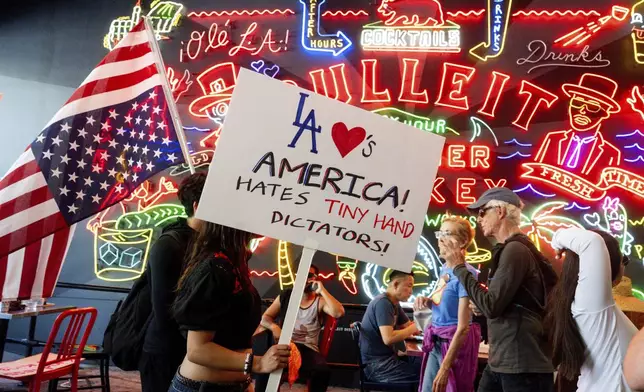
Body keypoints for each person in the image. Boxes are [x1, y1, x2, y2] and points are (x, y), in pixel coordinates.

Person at [453, 187, 556, 392]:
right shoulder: (516, 248)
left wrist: (460, 268)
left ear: (499, 211)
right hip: (507, 361)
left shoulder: (515, 250)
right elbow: (503, 303)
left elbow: (491, 305)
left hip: (521, 366)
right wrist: (484, 305)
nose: (479, 219)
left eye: (483, 212)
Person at [169, 221, 290, 392]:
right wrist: (258, 363)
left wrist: (246, 382)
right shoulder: (215, 268)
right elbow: (197, 350)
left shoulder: (232, 264)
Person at [546, 228, 637, 391]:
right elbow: (592, 242)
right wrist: (557, 238)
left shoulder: (589, 307)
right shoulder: (591, 306)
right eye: (623, 259)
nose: (624, 267)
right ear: (607, 264)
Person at [139, 173, 204, 392]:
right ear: (197, 205)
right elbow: (164, 309)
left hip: (195, 355)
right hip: (165, 353)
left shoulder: (209, 244)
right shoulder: (170, 245)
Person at [414, 217, 481, 392]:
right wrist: (428, 302)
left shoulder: (467, 274)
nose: (440, 239)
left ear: (463, 241)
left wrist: (445, 368)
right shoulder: (445, 268)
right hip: (436, 342)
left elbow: (463, 327)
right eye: (440, 233)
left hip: (453, 348)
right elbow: (445, 305)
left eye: (447, 233)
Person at [255, 264, 345, 392]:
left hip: (307, 349)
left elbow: (338, 313)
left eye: (308, 275)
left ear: (315, 278)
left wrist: (322, 290)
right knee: (266, 364)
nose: (303, 278)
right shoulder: (285, 296)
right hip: (285, 345)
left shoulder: (319, 302)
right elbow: (265, 318)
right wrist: (275, 327)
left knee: (322, 371)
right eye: (300, 274)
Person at [359, 270, 421, 383]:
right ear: (396, 284)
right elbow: (389, 338)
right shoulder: (383, 303)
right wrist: (414, 327)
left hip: (387, 360)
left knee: (422, 365)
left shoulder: (394, 303)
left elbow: (408, 326)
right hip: (377, 366)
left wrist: (421, 318)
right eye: (409, 286)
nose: (411, 291)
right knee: (426, 373)